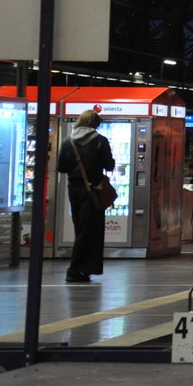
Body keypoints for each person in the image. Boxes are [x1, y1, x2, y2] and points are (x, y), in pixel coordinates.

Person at [56, 109, 114, 283]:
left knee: (81, 228)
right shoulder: (100, 141)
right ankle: (74, 270)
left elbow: (61, 167)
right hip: (93, 189)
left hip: (74, 189)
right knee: (90, 231)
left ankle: (83, 270)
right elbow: (109, 165)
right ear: (95, 124)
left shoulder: (68, 142)